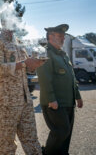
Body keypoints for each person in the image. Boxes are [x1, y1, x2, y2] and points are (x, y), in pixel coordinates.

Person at [0, 18, 45, 155]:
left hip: (25, 100)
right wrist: (25, 63)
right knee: (7, 145)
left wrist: (34, 65)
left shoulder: (18, 41)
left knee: (31, 140)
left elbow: (25, 67)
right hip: (7, 102)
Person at [36, 24, 83, 155]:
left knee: (67, 134)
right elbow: (44, 79)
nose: (63, 39)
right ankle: (46, 153)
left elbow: (72, 77)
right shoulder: (45, 54)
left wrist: (77, 96)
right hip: (55, 103)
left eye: (63, 36)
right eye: (60, 36)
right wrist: (51, 99)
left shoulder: (63, 55)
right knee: (61, 132)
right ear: (50, 37)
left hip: (68, 102)